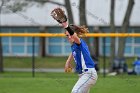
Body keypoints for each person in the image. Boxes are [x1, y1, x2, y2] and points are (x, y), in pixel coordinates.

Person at [51, 8, 98, 93]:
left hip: (88, 74)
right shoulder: (75, 46)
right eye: (67, 36)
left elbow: (74, 36)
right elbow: (74, 52)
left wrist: (65, 25)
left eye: (70, 35)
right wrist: (68, 61)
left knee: (75, 91)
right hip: (83, 75)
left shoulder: (78, 41)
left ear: (75, 34)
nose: (69, 37)